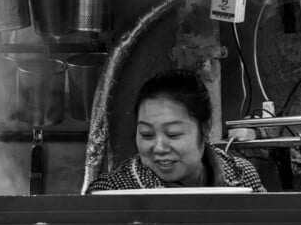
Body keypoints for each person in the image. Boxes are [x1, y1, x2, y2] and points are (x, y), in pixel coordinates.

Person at [88, 69, 266, 193]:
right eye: (146, 134)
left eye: (173, 134)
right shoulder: (113, 190)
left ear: (205, 129)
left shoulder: (242, 178)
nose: (159, 148)